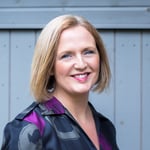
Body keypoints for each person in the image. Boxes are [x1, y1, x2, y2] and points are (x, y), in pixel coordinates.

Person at [1, 14, 119, 150]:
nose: (81, 64)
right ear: (49, 66)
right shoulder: (30, 128)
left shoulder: (106, 127)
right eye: (66, 55)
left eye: (88, 52)